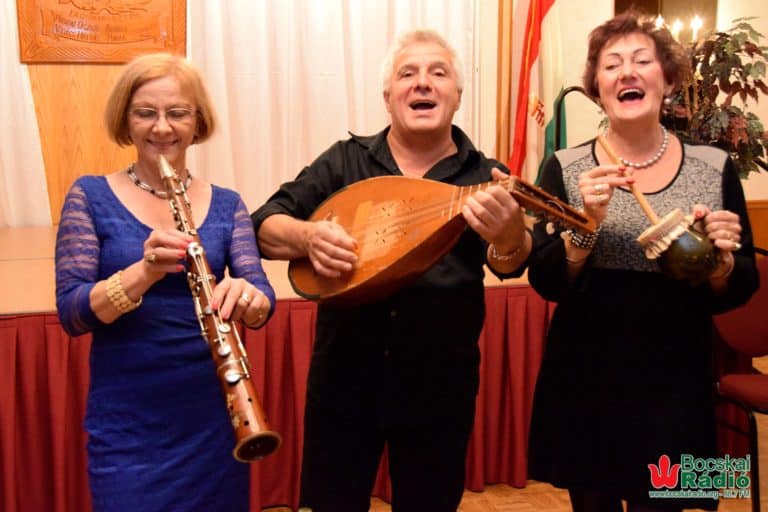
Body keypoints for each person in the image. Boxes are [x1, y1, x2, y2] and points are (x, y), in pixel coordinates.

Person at [251, 30, 531, 512]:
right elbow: (263, 225)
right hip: (342, 387)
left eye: (438, 73)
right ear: (388, 97)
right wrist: (307, 237)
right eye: (407, 74)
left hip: (439, 392)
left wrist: (508, 239)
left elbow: (511, 262)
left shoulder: (486, 176)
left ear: (457, 95)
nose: (422, 83)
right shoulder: (345, 161)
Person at [526, 11, 759, 512]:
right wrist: (586, 225)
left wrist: (719, 263)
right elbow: (545, 280)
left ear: (668, 79)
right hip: (586, 377)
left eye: (641, 61)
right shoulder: (564, 167)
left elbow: (742, 284)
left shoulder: (714, 166)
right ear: (597, 88)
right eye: (611, 65)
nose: (626, 72)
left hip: (678, 380)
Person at [55, 53, 275, 512]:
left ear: (197, 122)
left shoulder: (228, 203)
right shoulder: (89, 195)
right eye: (145, 113)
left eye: (177, 113)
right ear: (126, 120)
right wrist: (145, 271)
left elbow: (261, 295)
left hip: (215, 414)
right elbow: (73, 313)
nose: (162, 127)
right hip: (128, 419)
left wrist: (249, 298)